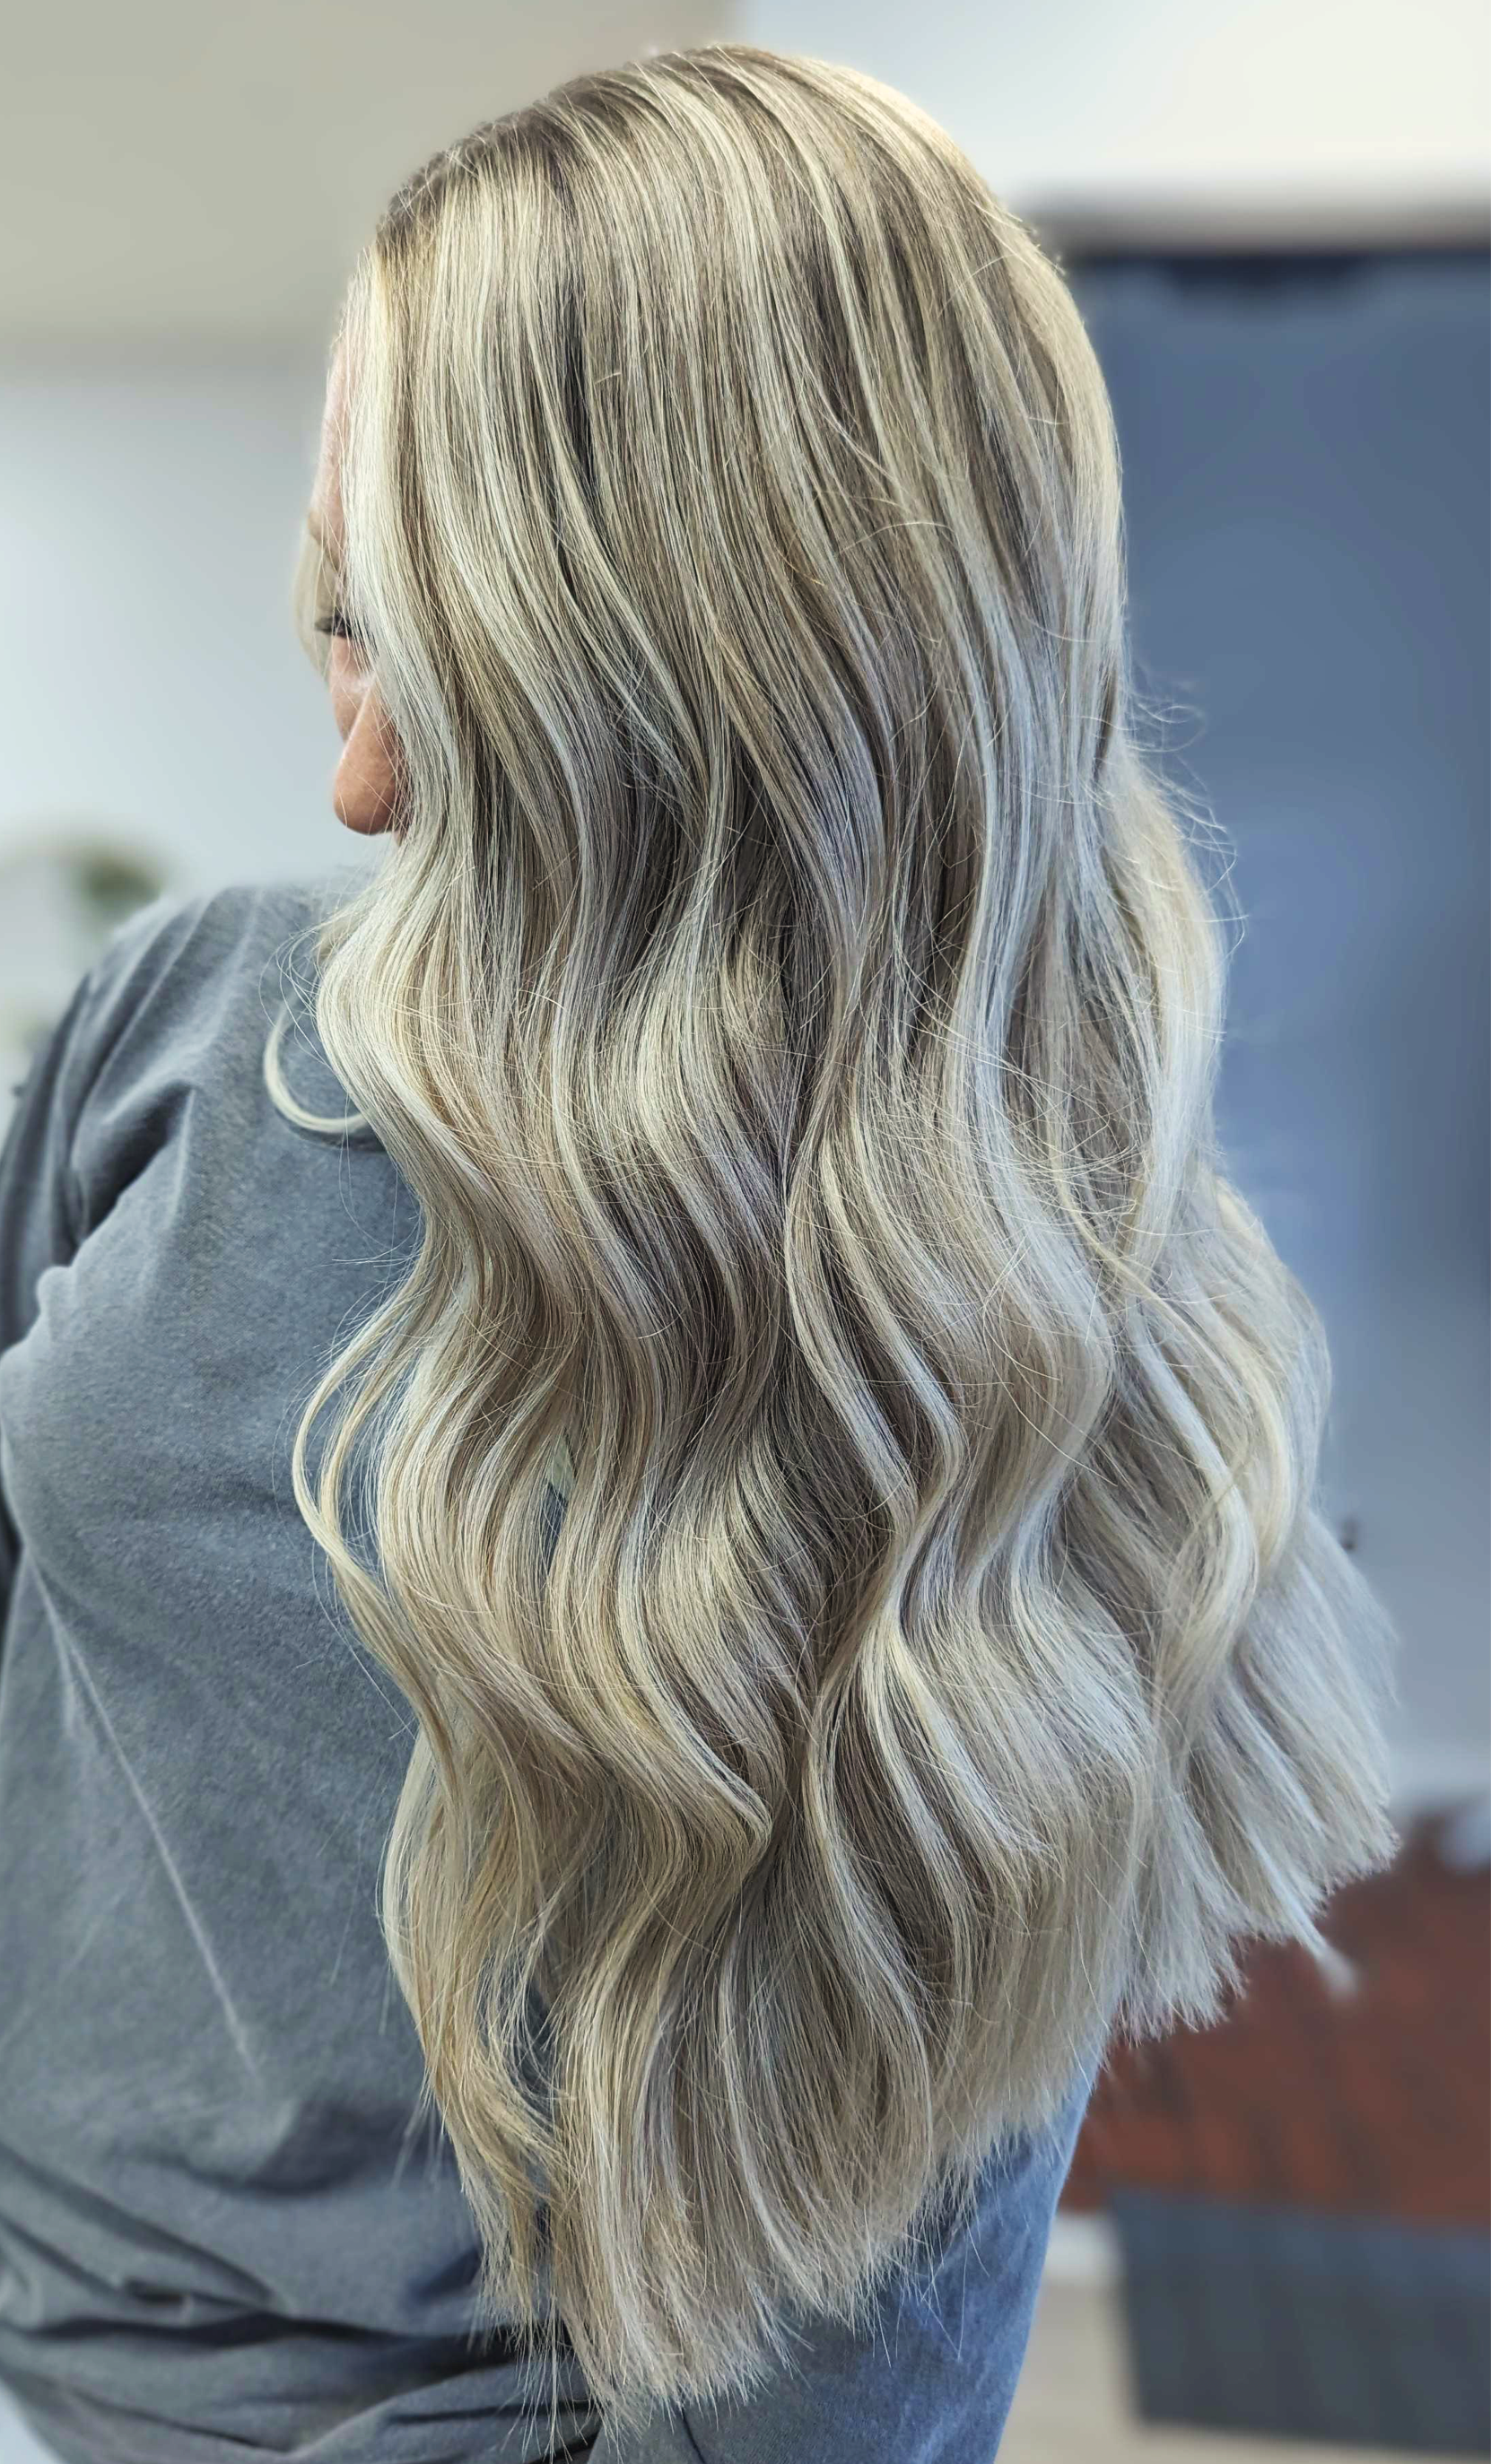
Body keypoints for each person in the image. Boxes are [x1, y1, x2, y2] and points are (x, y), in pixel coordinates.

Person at [0, 41, 1397, 2464]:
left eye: (438, 670)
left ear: (718, 708)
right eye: (340, 615)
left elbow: (840, 2378)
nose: (350, 788)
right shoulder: (196, 1013)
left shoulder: (1024, 1384)